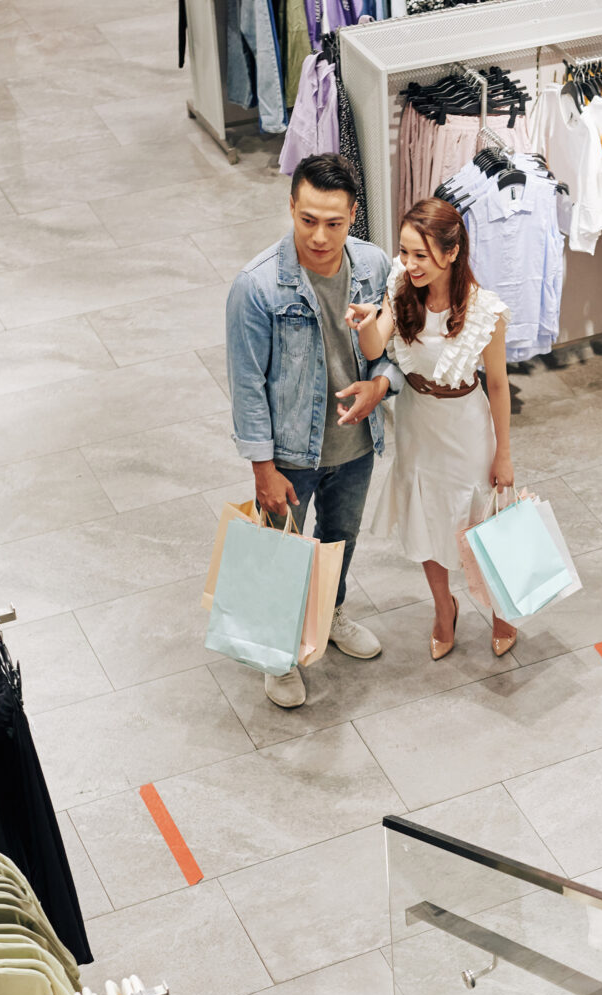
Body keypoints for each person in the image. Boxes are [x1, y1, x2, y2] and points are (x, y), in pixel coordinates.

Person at [225, 153, 398, 708]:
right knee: (280, 553)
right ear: (291, 208)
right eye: (307, 220)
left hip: (355, 445)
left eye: (334, 222)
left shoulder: (374, 267)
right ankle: (276, 652)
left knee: (339, 541)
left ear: (353, 215)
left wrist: (381, 386)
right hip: (291, 454)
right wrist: (263, 469)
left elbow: (397, 354)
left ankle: (330, 614)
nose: (319, 236)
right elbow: (248, 386)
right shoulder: (256, 288)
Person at [346, 198, 520, 660]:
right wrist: (365, 322)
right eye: (404, 252)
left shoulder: (485, 311)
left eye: (420, 255)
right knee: (426, 519)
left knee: (481, 522)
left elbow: (499, 387)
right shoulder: (400, 287)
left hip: (465, 425)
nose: (409, 264)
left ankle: (503, 610)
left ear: (452, 251)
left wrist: (503, 453)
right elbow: (373, 345)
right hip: (417, 423)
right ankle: (444, 610)